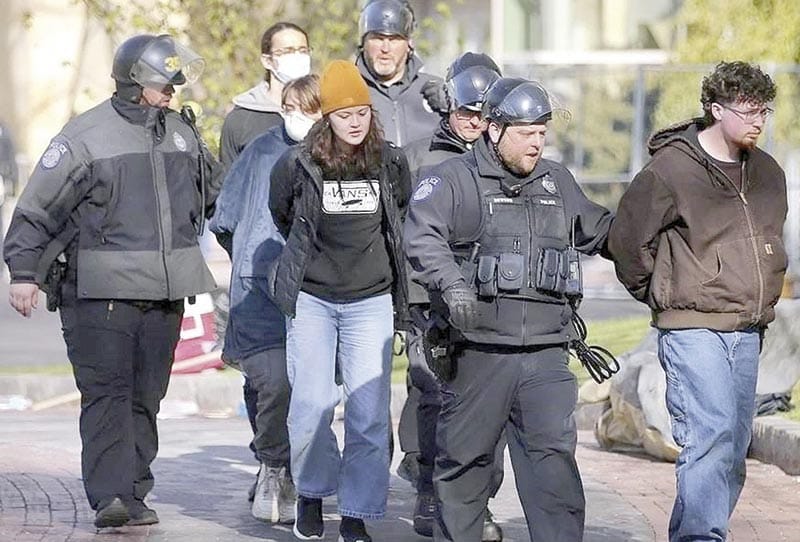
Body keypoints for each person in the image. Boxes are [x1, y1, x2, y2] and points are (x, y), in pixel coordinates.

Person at [2, 34, 220, 528]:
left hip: (164, 292)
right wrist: (23, 273)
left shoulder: (180, 133)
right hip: (99, 294)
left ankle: (135, 490)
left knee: (147, 396)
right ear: (135, 81)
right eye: (166, 81)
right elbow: (36, 208)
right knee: (108, 395)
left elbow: (216, 195)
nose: (174, 88)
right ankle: (111, 498)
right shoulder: (85, 137)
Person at [404, 77, 613, 542]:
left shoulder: (556, 180)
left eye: (542, 132)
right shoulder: (452, 179)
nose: (536, 142)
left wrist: (652, 229)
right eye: (525, 132)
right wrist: (453, 286)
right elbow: (422, 235)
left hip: (546, 353)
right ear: (493, 130)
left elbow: (602, 231)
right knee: (465, 464)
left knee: (553, 466)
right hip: (479, 351)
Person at [608, 61, 786, 542]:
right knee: (707, 437)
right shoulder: (670, 171)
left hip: (748, 328)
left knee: (732, 446)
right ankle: (701, 537)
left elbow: (769, 240)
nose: (757, 120)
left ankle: (702, 530)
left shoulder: (768, 173)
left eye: (763, 110)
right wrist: (661, 293)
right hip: (692, 326)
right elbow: (627, 240)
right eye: (747, 110)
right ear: (715, 109)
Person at [267, 59, 410, 542]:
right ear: (327, 116)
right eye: (344, 113)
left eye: (362, 112)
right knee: (310, 404)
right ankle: (310, 493)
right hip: (312, 298)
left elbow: (400, 217)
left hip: (370, 301)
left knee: (369, 415)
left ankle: (356, 511)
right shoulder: (297, 163)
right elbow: (283, 214)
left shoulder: (390, 162)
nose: (355, 121)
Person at [399, 52, 504, 541]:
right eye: (466, 112)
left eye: (484, 114)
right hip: (429, 298)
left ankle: (476, 501)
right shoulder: (419, 157)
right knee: (433, 395)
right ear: (449, 108)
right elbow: (401, 229)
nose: (474, 124)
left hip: (491, 296)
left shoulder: (511, 159)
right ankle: (428, 493)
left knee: (488, 403)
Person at [210, 74, 321, 525]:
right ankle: (274, 465)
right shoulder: (259, 153)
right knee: (272, 382)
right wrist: (249, 261)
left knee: (308, 392)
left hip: (320, 293)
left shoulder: (343, 158)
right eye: (290, 107)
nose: (297, 117)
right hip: (261, 292)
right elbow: (225, 219)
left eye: (308, 108)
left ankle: (290, 466)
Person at [219, 22, 311, 170]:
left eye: (303, 50)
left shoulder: (324, 111)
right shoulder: (241, 120)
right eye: (287, 51)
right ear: (267, 60)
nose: (297, 56)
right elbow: (228, 184)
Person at [355, 0, 442, 147]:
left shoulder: (435, 92)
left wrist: (454, 109)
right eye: (378, 38)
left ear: (409, 44)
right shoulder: (349, 91)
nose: (385, 48)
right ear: (364, 42)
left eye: (394, 39)